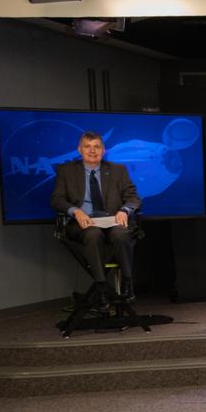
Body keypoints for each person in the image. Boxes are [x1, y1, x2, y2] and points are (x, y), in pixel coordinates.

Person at [50, 131, 142, 305]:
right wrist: (75, 211)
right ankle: (101, 287)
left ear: (104, 150)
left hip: (113, 220)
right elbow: (57, 199)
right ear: (79, 150)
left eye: (97, 147)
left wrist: (124, 210)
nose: (92, 151)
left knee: (121, 234)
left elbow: (133, 197)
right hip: (84, 222)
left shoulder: (118, 170)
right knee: (93, 234)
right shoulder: (66, 170)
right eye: (87, 146)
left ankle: (127, 282)